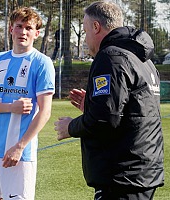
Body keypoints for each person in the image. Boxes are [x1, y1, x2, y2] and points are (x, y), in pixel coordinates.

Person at [54, 1, 164, 200]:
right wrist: (93, 104)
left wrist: (70, 127)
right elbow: (133, 110)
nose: (85, 39)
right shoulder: (143, 60)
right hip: (142, 172)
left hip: (122, 177)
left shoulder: (110, 56)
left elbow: (104, 119)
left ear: (96, 27)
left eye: (85, 31)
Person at [0, 7, 55, 200]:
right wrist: (11, 107)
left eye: (29, 27)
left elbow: (45, 112)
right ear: (11, 29)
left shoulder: (42, 63)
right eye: (19, 26)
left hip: (20, 154)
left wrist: (20, 147)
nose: (23, 32)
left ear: (36, 33)